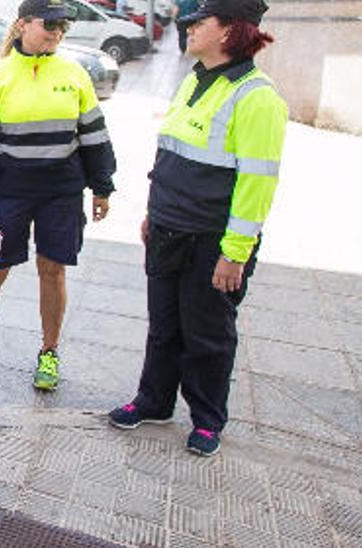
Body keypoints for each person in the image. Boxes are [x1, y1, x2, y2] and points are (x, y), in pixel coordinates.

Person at [107, 0, 286, 457]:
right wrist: (154, 211)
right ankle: (153, 401)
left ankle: (207, 420)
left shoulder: (257, 97)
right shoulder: (194, 80)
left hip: (212, 239)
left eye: (197, 23)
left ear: (228, 32)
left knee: (208, 333)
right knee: (164, 325)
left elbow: (257, 183)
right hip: (169, 226)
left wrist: (236, 252)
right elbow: (170, 155)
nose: (186, 29)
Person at [0, 0, 117, 392]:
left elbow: (93, 135)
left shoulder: (74, 74)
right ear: (23, 25)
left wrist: (102, 186)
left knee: (52, 271)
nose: (57, 32)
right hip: (8, 195)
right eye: (50, 23)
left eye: (63, 26)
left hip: (61, 193)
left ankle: (49, 351)